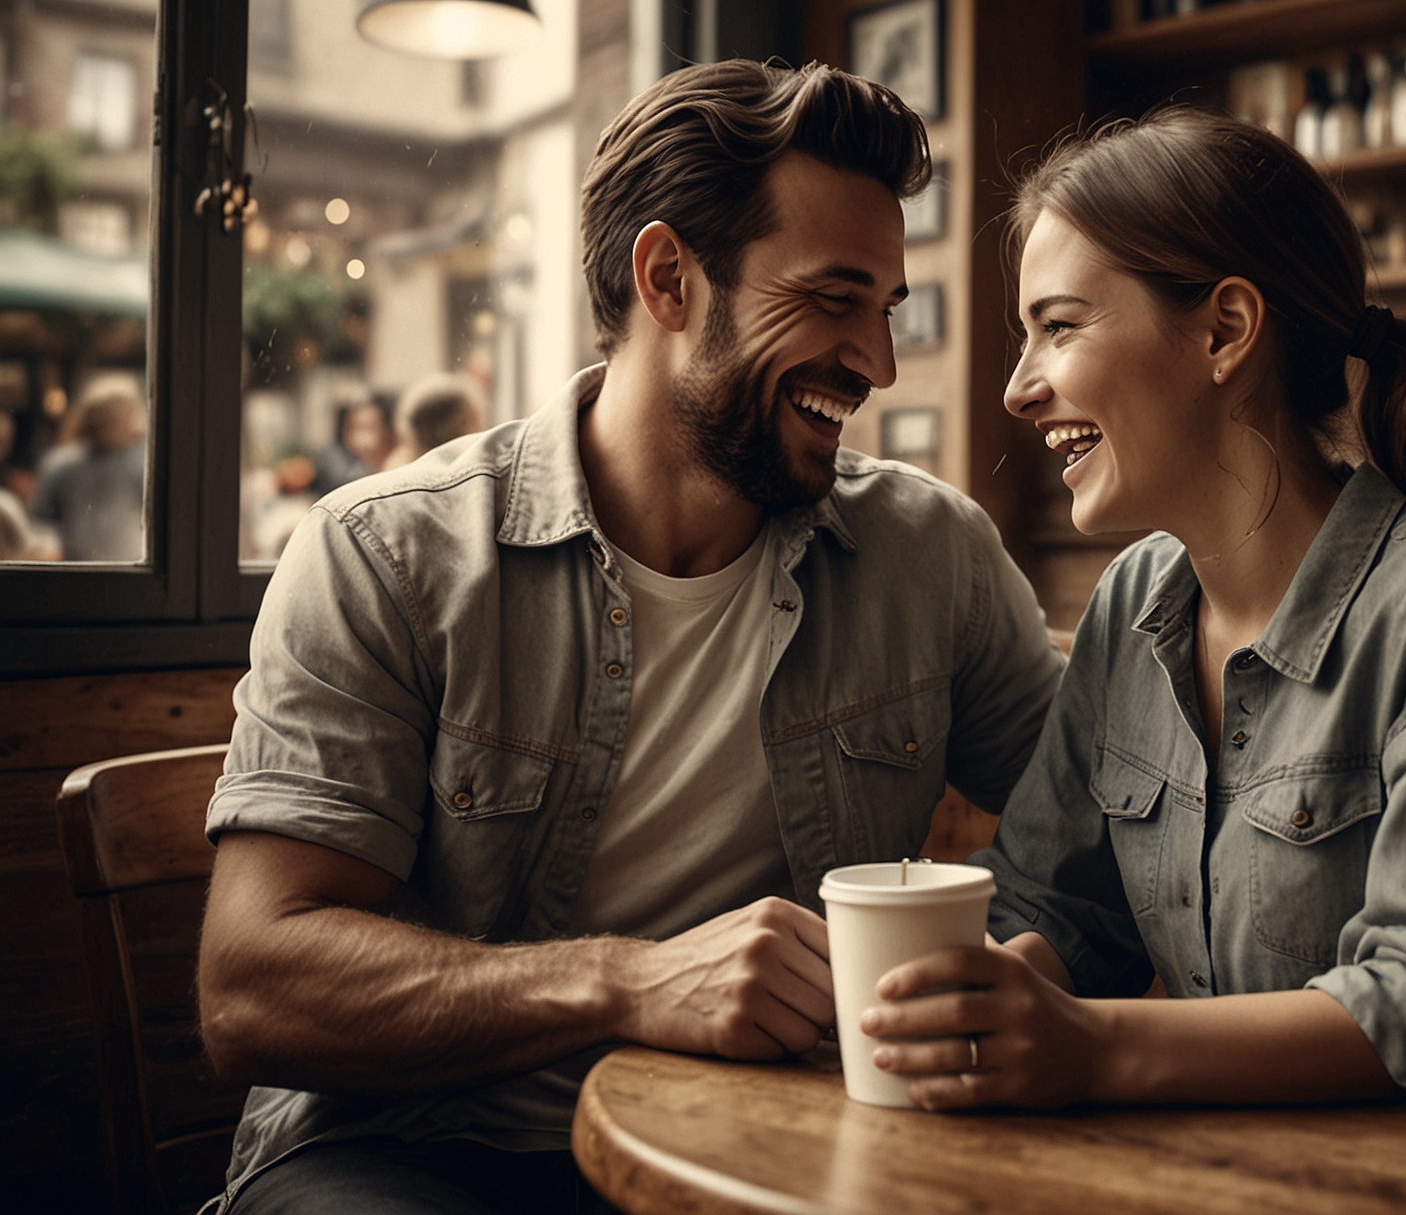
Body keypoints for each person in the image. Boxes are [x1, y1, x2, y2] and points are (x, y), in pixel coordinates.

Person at [195, 59, 1064, 1214]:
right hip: (412, 1148)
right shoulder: (384, 555)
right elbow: (251, 990)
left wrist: (1009, 975)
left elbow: (1096, 835)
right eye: (833, 298)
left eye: (886, 310)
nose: (878, 363)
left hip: (776, 1144)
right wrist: (627, 984)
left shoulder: (929, 554)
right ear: (668, 278)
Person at [857, 105, 1406, 1212]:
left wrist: (1090, 1049)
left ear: (1223, 332)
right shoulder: (1131, 607)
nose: (1018, 386)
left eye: (1057, 327)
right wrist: (953, 1006)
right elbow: (1058, 915)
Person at [29, 372, 147, 561]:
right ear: (94, 417)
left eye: (129, 413)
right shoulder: (61, 463)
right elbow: (41, 520)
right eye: (115, 414)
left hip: (131, 568)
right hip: (75, 570)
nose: (126, 422)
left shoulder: (142, 462)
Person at [384, 372, 488, 469]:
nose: (479, 431)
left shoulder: (397, 470)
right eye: (474, 424)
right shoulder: (470, 474)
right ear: (461, 423)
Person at [312, 393, 396, 495]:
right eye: (354, 428)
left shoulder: (395, 468)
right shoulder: (358, 469)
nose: (361, 437)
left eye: (368, 428)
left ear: (387, 431)